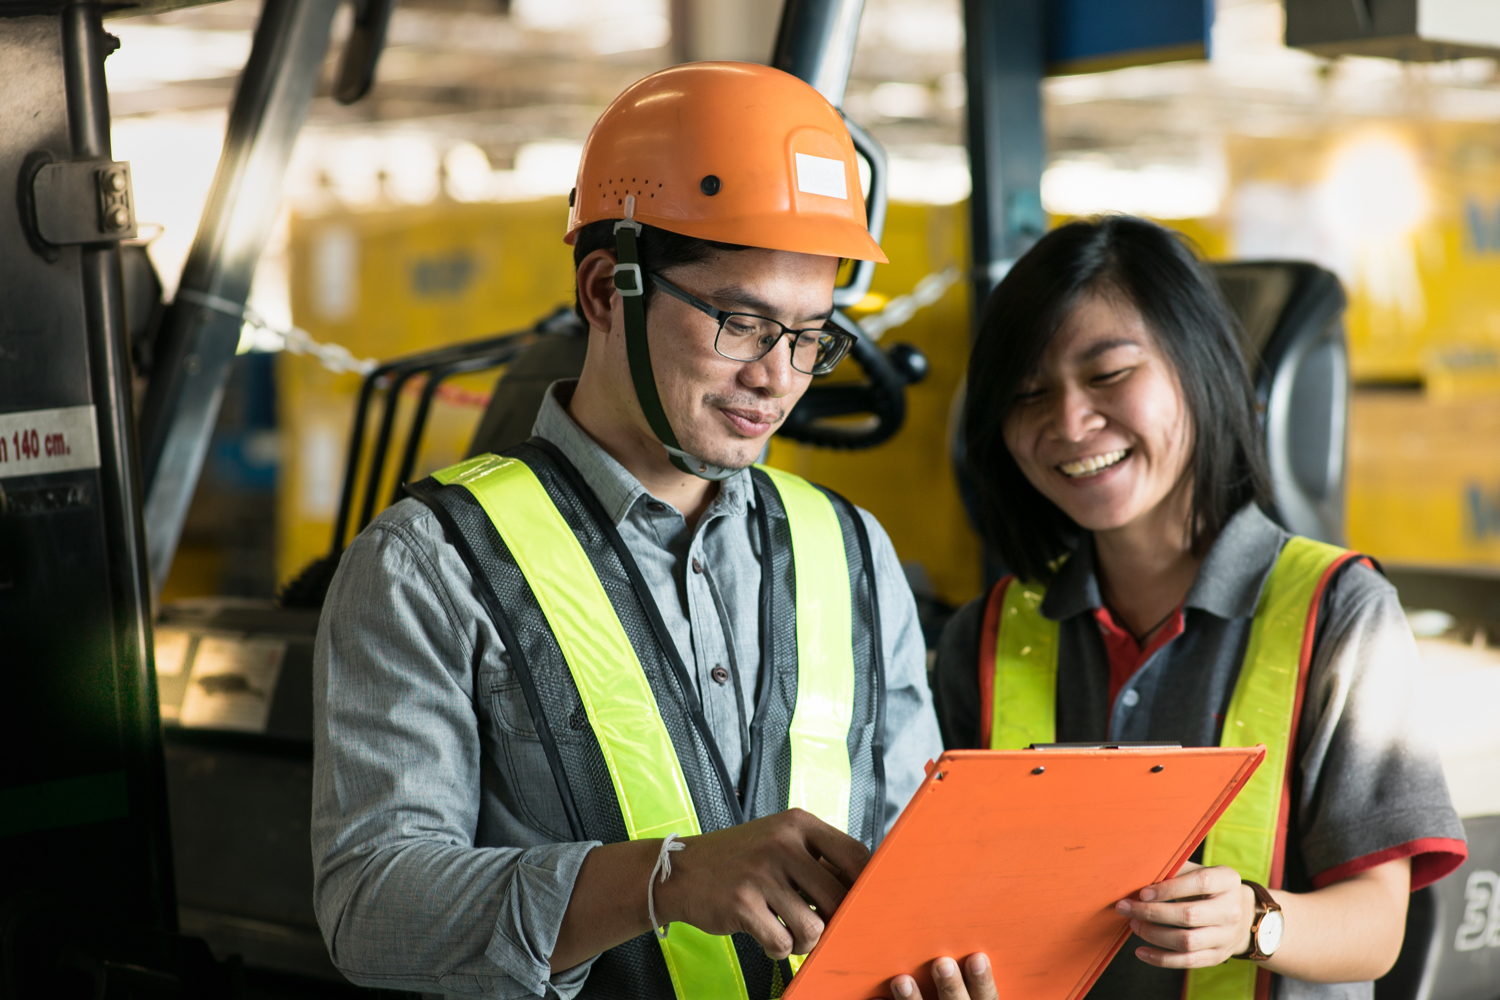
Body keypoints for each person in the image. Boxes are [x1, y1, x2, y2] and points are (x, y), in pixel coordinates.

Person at [311, 62, 962, 999]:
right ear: (606, 293)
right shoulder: (431, 563)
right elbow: (371, 909)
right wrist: (663, 879)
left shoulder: (853, 551)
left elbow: (904, 858)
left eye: (811, 336)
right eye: (741, 323)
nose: (778, 377)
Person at [923, 216, 1467, 1000]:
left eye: (1108, 374)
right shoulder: (989, 632)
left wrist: (1255, 922)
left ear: (1197, 365)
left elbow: (1379, 929)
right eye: (1029, 394)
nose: (1069, 423)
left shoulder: (1339, 611)